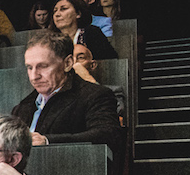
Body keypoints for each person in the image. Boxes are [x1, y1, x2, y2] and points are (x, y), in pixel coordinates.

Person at [12, 30, 123, 158]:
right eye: (29, 67)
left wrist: (47, 142)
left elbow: (106, 135)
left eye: (42, 66)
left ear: (68, 63)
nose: (34, 76)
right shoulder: (21, 107)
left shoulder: (95, 95)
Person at [50, 0, 116, 60]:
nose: (57, 14)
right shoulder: (51, 39)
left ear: (78, 13)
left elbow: (109, 60)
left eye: (63, 9)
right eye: (55, 11)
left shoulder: (92, 33)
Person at [72, 43, 126, 120]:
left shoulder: (114, 91)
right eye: (70, 58)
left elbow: (113, 116)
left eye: (80, 58)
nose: (74, 63)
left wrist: (88, 79)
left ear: (92, 65)